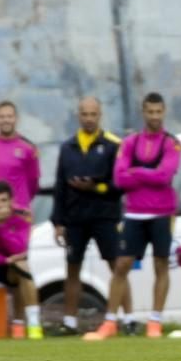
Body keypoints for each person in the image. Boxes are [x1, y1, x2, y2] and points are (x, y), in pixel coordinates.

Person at [83, 92, 181, 340]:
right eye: (150, 111)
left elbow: (165, 176)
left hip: (161, 213)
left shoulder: (171, 143)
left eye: (159, 112)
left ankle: (154, 322)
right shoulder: (130, 142)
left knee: (160, 265)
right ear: (143, 112)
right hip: (134, 214)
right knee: (122, 265)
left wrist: (136, 171)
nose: (154, 116)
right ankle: (109, 323)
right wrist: (148, 172)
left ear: (164, 112)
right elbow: (119, 178)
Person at [50, 97, 134, 335]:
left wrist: (95, 187)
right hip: (75, 217)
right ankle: (70, 322)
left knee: (117, 267)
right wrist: (58, 222)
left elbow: (119, 184)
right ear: (78, 115)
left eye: (93, 114)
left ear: (100, 115)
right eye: (84, 114)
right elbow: (60, 186)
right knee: (72, 268)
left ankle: (128, 319)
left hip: (105, 216)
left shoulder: (112, 145)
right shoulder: (68, 147)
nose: (88, 118)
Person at [0, 101, 42, 338]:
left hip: (17, 221)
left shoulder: (27, 148)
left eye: (9, 116)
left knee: (21, 270)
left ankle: (25, 325)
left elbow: (33, 182)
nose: (5, 120)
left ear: (16, 118)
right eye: (1, 116)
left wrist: (18, 208)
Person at [0, 181, 43, 339]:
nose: (0, 205)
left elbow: (20, 250)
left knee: (22, 268)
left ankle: (32, 324)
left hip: (12, 264)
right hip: (3, 261)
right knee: (18, 265)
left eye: (3, 200)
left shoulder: (21, 216)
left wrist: (4, 226)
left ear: (11, 201)